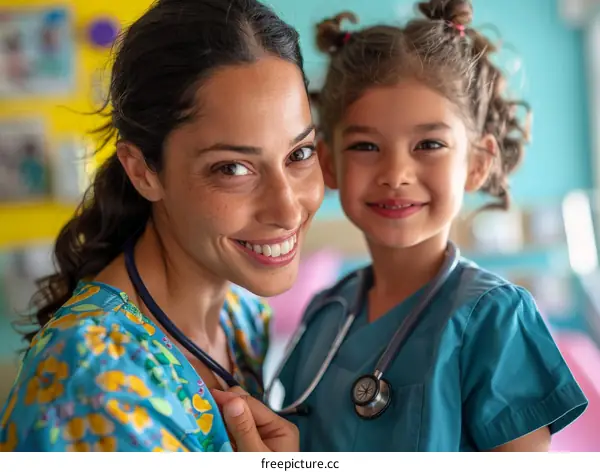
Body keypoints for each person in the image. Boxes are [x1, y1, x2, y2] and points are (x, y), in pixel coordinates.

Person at [0, 0, 323, 452]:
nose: (288, 210)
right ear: (143, 171)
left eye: (299, 154)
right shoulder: (97, 385)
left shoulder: (241, 314)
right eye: (232, 168)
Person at [275, 0, 588, 452]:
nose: (396, 173)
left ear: (477, 164)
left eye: (429, 143)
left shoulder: (496, 319)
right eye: (365, 145)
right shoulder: (325, 313)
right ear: (329, 165)